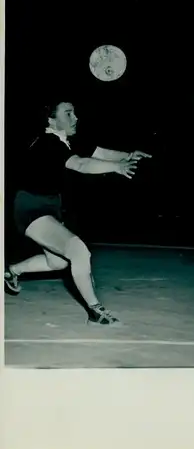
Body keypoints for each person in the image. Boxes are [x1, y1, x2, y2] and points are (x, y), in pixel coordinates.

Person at [5, 101, 152, 326]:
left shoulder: (66, 139)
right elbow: (82, 164)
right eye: (68, 113)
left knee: (58, 262)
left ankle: (11, 271)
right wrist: (117, 167)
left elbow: (98, 152)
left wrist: (128, 156)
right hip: (30, 207)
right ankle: (95, 310)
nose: (75, 118)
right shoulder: (48, 142)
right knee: (78, 251)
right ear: (51, 120)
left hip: (49, 206)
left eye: (74, 113)